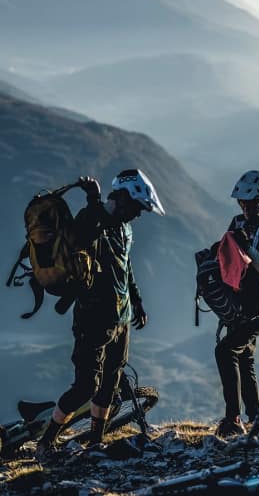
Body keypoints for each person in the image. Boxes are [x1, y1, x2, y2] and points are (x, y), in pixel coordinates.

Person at [35, 169, 165, 457]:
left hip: (120, 317)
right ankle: (46, 442)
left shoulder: (124, 228)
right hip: (93, 318)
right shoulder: (92, 218)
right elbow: (82, 236)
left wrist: (138, 301)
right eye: (137, 207)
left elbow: (125, 266)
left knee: (111, 379)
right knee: (85, 386)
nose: (138, 215)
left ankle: (96, 440)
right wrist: (93, 199)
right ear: (123, 198)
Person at [214, 170, 259, 438]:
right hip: (240, 304)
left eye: (251, 202)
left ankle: (233, 418)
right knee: (244, 357)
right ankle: (255, 415)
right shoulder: (237, 221)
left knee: (226, 352)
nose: (245, 207)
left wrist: (250, 251)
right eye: (242, 203)